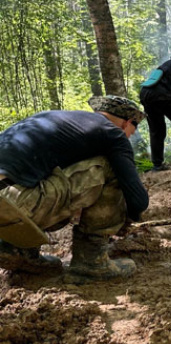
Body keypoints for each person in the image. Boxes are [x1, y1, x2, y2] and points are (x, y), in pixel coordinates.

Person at [0, 96, 149, 281]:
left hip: (6, 200)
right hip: (13, 203)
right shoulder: (113, 133)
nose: (130, 136)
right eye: (132, 132)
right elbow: (138, 200)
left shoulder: (55, 119)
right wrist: (127, 218)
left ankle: (14, 249)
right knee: (110, 167)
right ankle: (91, 261)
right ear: (126, 123)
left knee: (42, 171)